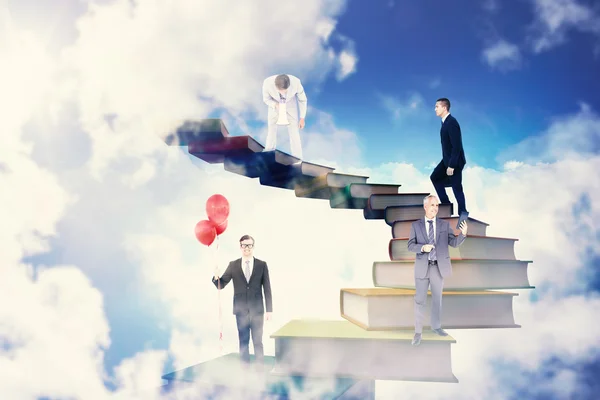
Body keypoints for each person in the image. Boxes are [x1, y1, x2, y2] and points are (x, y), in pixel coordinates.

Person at [407, 195, 468, 346]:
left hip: (438, 268)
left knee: (437, 300)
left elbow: (453, 243)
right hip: (422, 268)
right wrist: (422, 248)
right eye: (432, 205)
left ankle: (436, 327)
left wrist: (463, 234)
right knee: (420, 301)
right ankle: (418, 332)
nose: (435, 208)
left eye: (437, 205)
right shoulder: (416, 226)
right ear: (425, 207)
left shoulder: (444, 225)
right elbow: (410, 245)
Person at [212, 235, 273, 364]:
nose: (247, 248)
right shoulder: (233, 265)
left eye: (249, 245)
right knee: (243, 341)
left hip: (257, 310)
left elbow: (267, 288)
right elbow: (221, 284)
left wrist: (269, 310)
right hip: (240, 311)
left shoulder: (262, 265)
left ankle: (259, 367)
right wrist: (216, 277)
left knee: (258, 341)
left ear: (253, 246)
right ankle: (245, 370)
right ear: (240, 247)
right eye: (244, 245)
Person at [430, 98, 468, 215]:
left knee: (457, 189)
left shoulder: (451, 123)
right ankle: (446, 206)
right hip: (446, 159)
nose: (435, 109)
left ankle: (463, 214)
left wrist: (451, 165)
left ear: (444, 108)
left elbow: (456, 146)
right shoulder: (444, 122)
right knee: (435, 177)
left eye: (437, 106)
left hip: (455, 161)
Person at [262, 74, 307, 160]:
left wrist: (302, 118)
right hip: (274, 104)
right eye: (281, 91)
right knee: (271, 130)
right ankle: (268, 155)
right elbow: (266, 99)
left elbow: (302, 99)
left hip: (290, 104)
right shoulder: (267, 83)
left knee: (294, 132)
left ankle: (298, 159)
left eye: (285, 91)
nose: (283, 93)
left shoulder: (296, 82)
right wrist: (275, 104)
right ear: (275, 86)